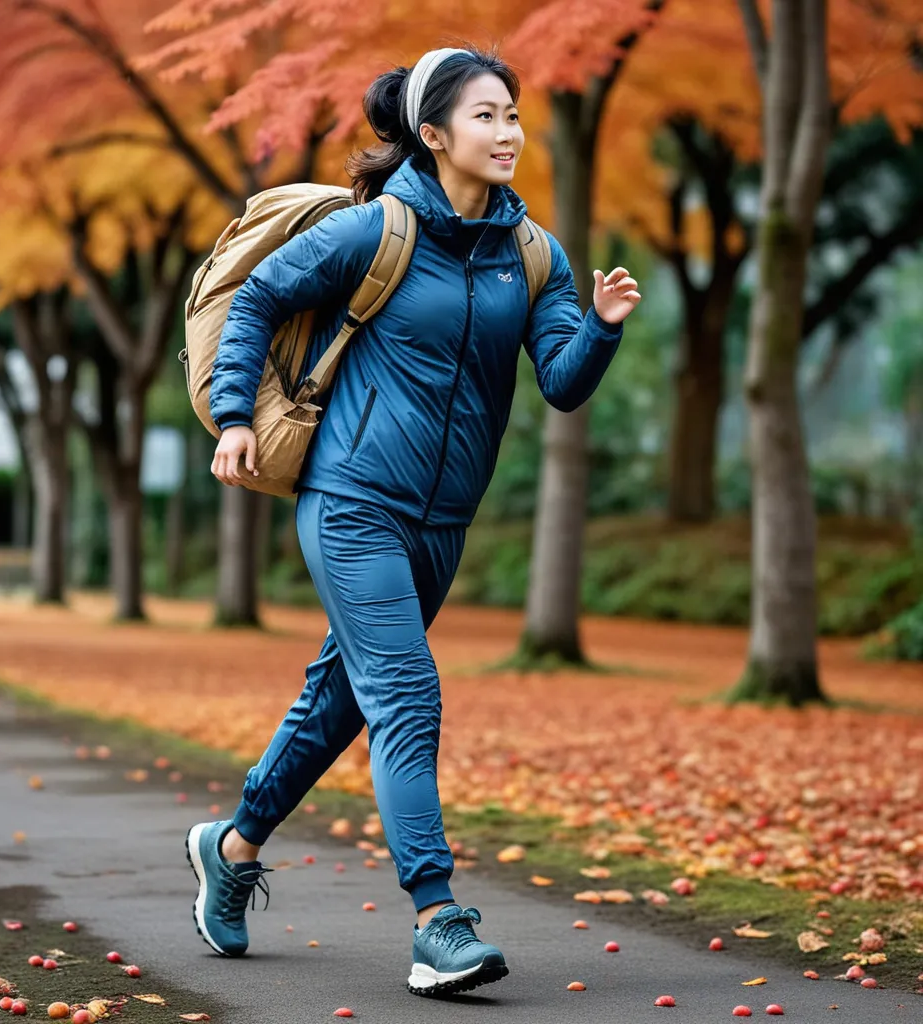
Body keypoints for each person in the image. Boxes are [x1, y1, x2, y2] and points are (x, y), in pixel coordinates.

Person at [187, 44, 642, 997]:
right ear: (432, 135)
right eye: (485, 115)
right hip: (351, 502)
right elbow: (261, 299)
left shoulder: (534, 253)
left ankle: (229, 848)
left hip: (441, 524)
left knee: (339, 703)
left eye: (513, 113)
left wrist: (596, 328)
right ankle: (439, 922)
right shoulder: (378, 231)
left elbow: (560, 386)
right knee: (408, 697)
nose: (509, 131)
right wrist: (235, 418)